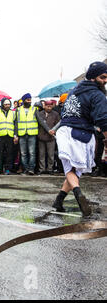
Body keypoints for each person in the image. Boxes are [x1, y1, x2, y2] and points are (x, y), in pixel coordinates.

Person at [52, 61, 107, 217]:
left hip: (65, 131)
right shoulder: (97, 94)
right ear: (92, 77)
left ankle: (59, 200)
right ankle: (78, 193)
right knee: (71, 169)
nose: (105, 81)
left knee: (74, 169)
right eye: (102, 77)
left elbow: (65, 114)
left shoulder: (73, 91)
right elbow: (103, 120)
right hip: (80, 133)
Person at [16, 93, 52, 175]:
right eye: (28, 100)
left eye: (30, 100)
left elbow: (41, 121)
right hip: (22, 134)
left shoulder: (34, 109)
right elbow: (16, 123)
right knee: (23, 153)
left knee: (32, 153)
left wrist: (48, 130)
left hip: (32, 134)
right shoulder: (18, 110)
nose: (29, 101)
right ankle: (25, 169)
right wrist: (15, 135)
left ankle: (31, 169)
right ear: (24, 100)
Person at [0, 98, 17, 175]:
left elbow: (16, 125)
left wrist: (15, 135)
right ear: (2, 104)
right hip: (0, 135)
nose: (7, 106)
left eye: (8, 104)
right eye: (5, 104)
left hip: (10, 135)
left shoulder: (13, 113)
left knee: (9, 154)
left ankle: (7, 169)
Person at [37, 100, 60, 174]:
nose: (49, 108)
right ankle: (42, 169)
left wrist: (54, 131)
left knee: (51, 155)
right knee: (41, 154)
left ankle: (50, 169)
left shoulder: (55, 114)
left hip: (51, 137)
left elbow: (58, 125)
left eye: (50, 106)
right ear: (44, 106)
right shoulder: (40, 114)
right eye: (47, 106)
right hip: (41, 137)